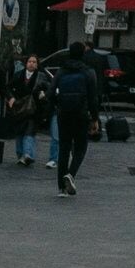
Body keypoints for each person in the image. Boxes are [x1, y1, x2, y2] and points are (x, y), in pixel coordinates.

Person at [48, 55, 96, 198]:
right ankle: (71, 174)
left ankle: (61, 189)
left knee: (64, 148)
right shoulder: (88, 72)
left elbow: (50, 92)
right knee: (81, 147)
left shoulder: (62, 71)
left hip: (63, 114)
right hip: (81, 114)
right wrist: (95, 118)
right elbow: (93, 97)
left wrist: (57, 104)